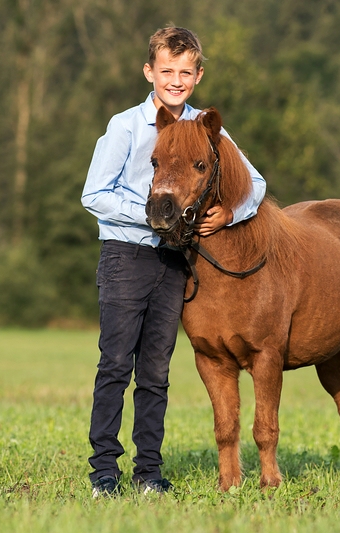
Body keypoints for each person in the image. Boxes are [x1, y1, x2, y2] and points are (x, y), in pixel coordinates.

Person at [81, 26, 266, 498]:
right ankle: (105, 470)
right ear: (150, 72)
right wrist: (154, 220)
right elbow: (94, 194)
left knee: (157, 373)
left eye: (185, 72)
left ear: (198, 75)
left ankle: (148, 472)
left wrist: (231, 212)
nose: (176, 80)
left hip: (174, 265)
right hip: (126, 255)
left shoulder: (209, 127)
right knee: (116, 365)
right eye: (167, 70)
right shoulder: (125, 126)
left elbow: (256, 184)